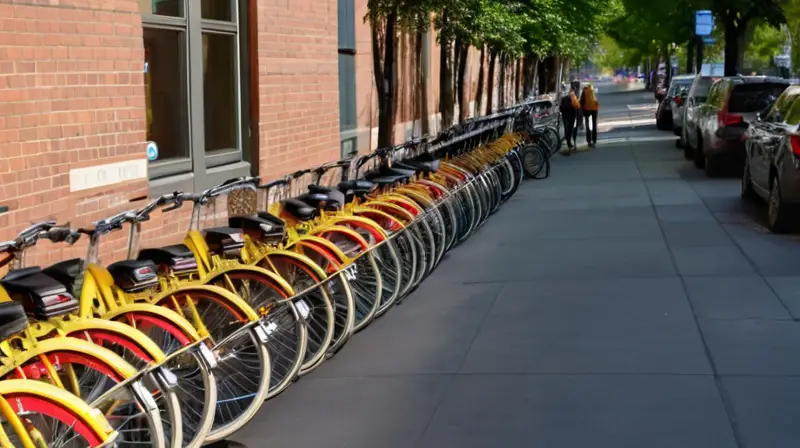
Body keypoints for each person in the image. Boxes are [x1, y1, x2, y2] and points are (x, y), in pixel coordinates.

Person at [559, 84, 581, 154]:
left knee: (567, 129)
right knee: (571, 129)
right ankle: (570, 142)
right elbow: (577, 109)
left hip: (566, 116)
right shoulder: (575, 98)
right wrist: (577, 117)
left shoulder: (565, 99)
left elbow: (561, 109)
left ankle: (569, 142)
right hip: (572, 116)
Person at [580, 83, 599, 148]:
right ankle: (594, 141)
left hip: (587, 110)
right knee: (594, 125)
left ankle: (589, 141)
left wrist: (582, 111)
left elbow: (581, 101)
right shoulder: (592, 90)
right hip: (594, 110)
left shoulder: (584, 91)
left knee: (588, 126)